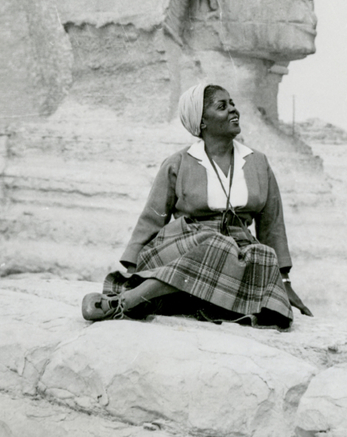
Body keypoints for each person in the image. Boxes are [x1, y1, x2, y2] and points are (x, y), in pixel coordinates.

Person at [81, 83, 313, 328]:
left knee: (263, 255)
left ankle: (181, 298)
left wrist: (284, 283)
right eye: (222, 107)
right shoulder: (178, 162)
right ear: (202, 122)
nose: (234, 111)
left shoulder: (258, 163)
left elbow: (272, 225)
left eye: (232, 104)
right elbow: (152, 217)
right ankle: (127, 300)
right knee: (216, 243)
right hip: (185, 242)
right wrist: (132, 273)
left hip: (236, 253)